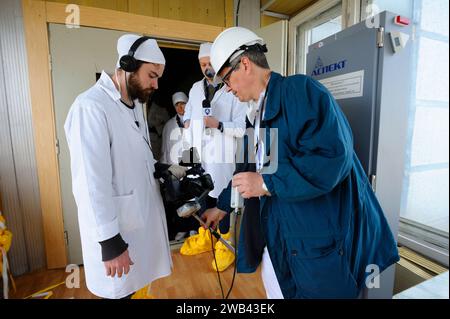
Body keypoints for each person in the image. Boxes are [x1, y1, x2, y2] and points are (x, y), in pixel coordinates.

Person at [202, 27, 400, 299]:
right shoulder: (256, 113)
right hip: (283, 233)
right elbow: (248, 168)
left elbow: (332, 159)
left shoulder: (300, 92)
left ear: (244, 64)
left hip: (315, 237)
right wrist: (223, 206)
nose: (228, 89)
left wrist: (266, 182)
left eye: (226, 79)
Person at [64, 34, 186, 299]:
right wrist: (109, 242)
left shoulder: (133, 106)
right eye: (151, 75)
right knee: (119, 292)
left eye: (158, 78)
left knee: (135, 287)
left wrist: (159, 167)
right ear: (128, 65)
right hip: (115, 231)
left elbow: (134, 154)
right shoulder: (91, 108)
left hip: (136, 224)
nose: (155, 85)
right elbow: (89, 183)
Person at [180, 43, 247, 272]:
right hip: (200, 153)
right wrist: (186, 122)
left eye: (210, 63)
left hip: (222, 156)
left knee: (222, 198)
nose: (206, 68)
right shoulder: (195, 89)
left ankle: (226, 246)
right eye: (202, 64)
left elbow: (241, 127)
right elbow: (187, 115)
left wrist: (218, 125)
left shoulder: (233, 89)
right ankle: (207, 237)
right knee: (201, 194)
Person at [160, 92, 188, 165]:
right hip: (175, 168)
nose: (180, 107)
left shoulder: (196, 120)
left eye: (182, 103)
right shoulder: (169, 125)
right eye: (177, 105)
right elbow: (165, 150)